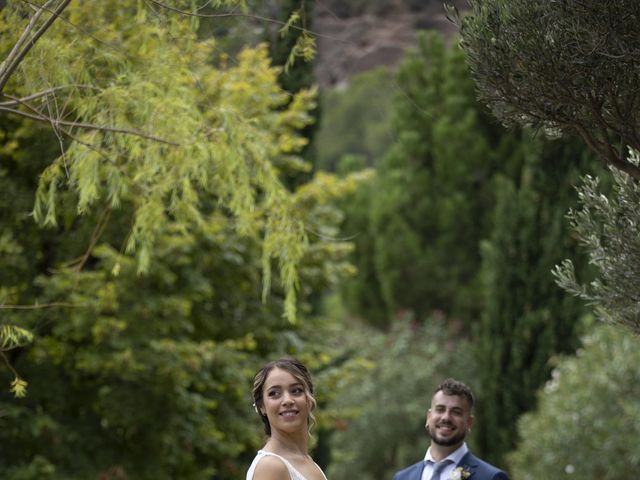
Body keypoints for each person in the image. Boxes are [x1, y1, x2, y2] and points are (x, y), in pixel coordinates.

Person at [393, 378, 509, 480]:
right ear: (429, 417)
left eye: (456, 412)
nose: (446, 417)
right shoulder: (402, 477)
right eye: (440, 409)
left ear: (469, 422)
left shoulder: (491, 477)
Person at [246, 357, 328, 480]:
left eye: (296, 391)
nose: (288, 400)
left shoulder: (309, 462)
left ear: (309, 399)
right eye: (274, 393)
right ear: (261, 406)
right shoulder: (270, 467)